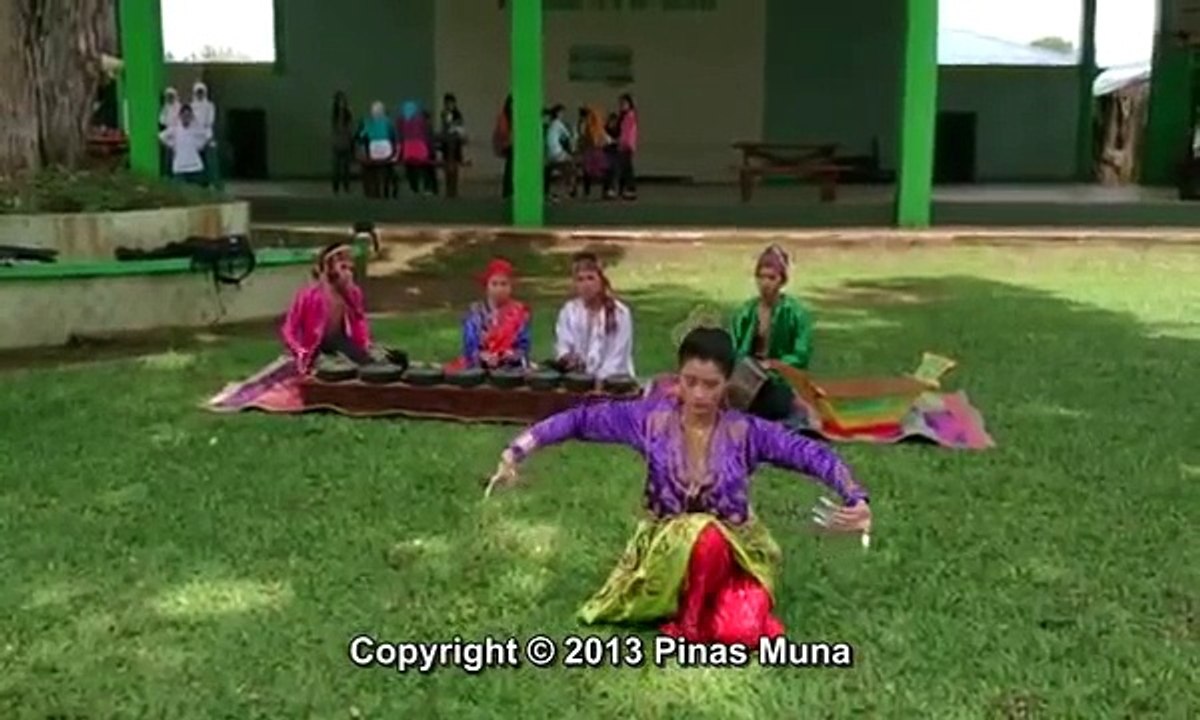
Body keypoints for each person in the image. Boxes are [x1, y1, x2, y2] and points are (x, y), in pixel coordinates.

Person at [487, 326, 871, 645]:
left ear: (726, 385)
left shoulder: (745, 431)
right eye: (691, 382)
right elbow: (579, 421)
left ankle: (706, 607)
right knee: (701, 533)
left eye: (711, 384)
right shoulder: (649, 420)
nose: (701, 395)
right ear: (678, 379)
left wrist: (855, 497)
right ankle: (686, 620)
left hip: (736, 552)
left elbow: (810, 453)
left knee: (742, 633)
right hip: (667, 549)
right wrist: (516, 451)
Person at [281, 243, 405, 374]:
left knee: (370, 365)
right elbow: (289, 329)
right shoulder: (308, 295)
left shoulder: (352, 292)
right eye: (342, 266)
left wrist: (365, 343)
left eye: (348, 267)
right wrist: (298, 349)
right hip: (314, 346)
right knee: (330, 370)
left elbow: (358, 319)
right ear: (328, 268)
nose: (348, 271)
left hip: (339, 339)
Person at [729, 245, 814, 420]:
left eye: (771, 278)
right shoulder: (746, 312)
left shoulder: (796, 313)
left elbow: (801, 354)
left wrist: (774, 365)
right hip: (747, 378)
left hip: (779, 379)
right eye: (760, 277)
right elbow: (732, 347)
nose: (765, 283)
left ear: (782, 281)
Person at [552, 252, 635, 379]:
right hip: (576, 380)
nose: (586, 285)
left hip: (614, 383)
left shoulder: (620, 313)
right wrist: (568, 359)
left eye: (590, 278)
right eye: (580, 279)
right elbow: (563, 345)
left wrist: (597, 380)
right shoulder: (569, 311)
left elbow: (618, 356)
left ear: (601, 281)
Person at [447, 258, 531, 371]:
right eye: (494, 284)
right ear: (487, 286)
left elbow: (523, 346)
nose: (499, 289)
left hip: (511, 368)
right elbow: (469, 346)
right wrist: (483, 356)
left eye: (503, 284)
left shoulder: (519, 313)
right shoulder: (475, 313)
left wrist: (510, 354)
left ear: (510, 287)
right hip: (479, 367)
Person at [158, 104, 211, 185]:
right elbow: (161, 136)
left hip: (195, 168)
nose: (186, 118)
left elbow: (207, 136)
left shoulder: (196, 128)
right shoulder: (175, 129)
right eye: (184, 115)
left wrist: (201, 145)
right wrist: (170, 145)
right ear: (180, 116)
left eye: (188, 115)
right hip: (179, 169)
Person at [396, 101, 435, 195]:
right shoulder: (421, 121)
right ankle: (428, 188)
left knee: (410, 166)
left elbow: (399, 136)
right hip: (421, 150)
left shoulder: (400, 121)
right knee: (426, 165)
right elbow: (427, 137)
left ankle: (414, 188)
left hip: (407, 151)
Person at [360, 101, 397, 199]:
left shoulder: (368, 122)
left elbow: (362, 135)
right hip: (386, 151)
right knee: (388, 167)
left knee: (371, 168)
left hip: (374, 151)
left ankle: (374, 191)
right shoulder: (387, 121)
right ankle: (387, 189)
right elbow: (393, 135)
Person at [573, 106, 610, 199]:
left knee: (585, 171)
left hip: (586, 149)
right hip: (595, 149)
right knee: (601, 170)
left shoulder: (582, 124)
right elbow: (602, 134)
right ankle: (605, 191)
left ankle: (585, 192)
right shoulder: (594, 123)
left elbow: (578, 137)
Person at [190, 82, 219, 186]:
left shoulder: (209, 106)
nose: (200, 94)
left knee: (210, 163)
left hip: (207, 135)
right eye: (198, 92)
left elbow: (209, 121)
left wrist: (204, 134)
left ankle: (214, 184)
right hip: (194, 137)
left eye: (201, 92)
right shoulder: (191, 106)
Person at [544, 104, 574, 201]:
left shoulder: (551, 124)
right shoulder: (558, 123)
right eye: (562, 113)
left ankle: (552, 192)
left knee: (558, 170)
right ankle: (566, 191)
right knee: (570, 167)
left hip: (550, 154)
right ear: (558, 113)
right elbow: (568, 137)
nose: (563, 115)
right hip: (557, 152)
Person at [439, 93, 467, 197]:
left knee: (454, 164)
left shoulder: (457, 114)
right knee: (447, 165)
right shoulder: (444, 113)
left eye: (451, 102)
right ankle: (448, 189)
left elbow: (459, 126)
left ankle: (453, 189)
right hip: (447, 142)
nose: (449, 105)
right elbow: (444, 126)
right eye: (447, 103)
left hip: (455, 142)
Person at [615, 93, 639, 200]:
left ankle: (630, 190)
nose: (621, 105)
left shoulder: (630, 116)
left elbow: (628, 133)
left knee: (627, 168)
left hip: (626, 146)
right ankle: (623, 190)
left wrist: (622, 143)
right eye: (620, 103)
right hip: (623, 145)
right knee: (623, 168)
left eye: (624, 103)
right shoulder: (623, 116)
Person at [331, 91, 355, 194]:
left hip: (343, 143)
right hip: (340, 143)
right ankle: (338, 187)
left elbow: (349, 127)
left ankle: (344, 186)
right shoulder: (337, 115)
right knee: (339, 168)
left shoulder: (342, 114)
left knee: (344, 168)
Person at [493, 95, 514, 199]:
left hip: (511, 143)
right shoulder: (504, 116)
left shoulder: (513, 116)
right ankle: (508, 191)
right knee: (511, 167)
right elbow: (502, 132)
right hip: (508, 144)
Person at [158, 87, 181, 176]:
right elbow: (162, 120)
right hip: (168, 135)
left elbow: (177, 125)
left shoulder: (178, 107)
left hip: (176, 135)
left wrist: (163, 135)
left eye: (171, 96)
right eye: (168, 96)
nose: (169, 98)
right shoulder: (166, 107)